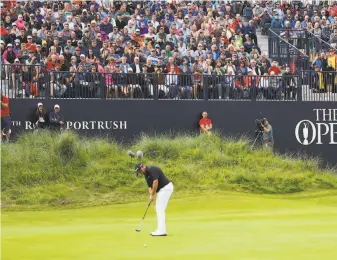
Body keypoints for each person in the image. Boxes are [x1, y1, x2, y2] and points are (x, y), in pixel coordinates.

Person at [135, 163, 174, 237]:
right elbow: (150, 187)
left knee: (159, 209)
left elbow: (155, 182)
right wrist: (151, 195)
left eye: (140, 171)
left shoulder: (152, 169)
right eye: (139, 172)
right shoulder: (146, 176)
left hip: (166, 188)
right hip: (162, 190)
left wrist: (153, 194)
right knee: (159, 209)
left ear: (142, 166)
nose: (140, 172)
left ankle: (161, 231)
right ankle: (161, 230)